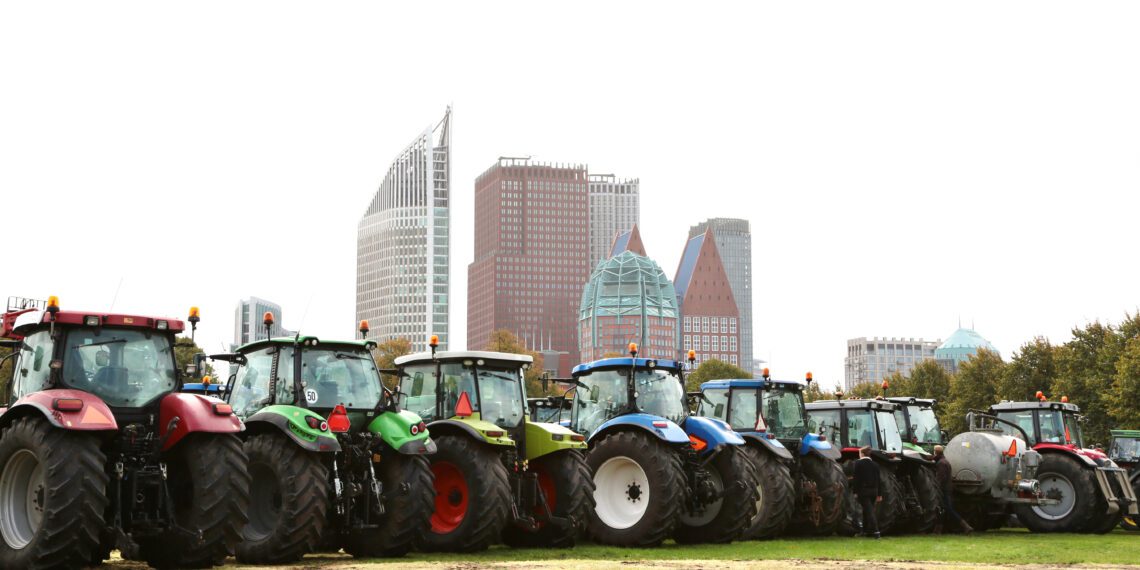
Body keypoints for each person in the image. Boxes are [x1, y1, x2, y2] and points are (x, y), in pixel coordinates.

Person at [934, 445, 974, 534]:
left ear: (936, 452)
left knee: (949, 509)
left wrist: (936, 489)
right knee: (944, 509)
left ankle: (966, 526)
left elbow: (941, 478)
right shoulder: (945, 461)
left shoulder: (941, 463)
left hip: (944, 489)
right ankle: (938, 530)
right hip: (948, 488)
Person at [851, 446, 882, 538]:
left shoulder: (858, 463)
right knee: (867, 510)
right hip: (874, 491)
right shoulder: (875, 465)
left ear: (862, 454)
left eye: (859, 453)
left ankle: (876, 532)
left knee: (869, 511)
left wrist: (855, 492)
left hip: (864, 491)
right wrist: (879, 494)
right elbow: (879, 480)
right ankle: (865, 531)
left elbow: (857, 479)